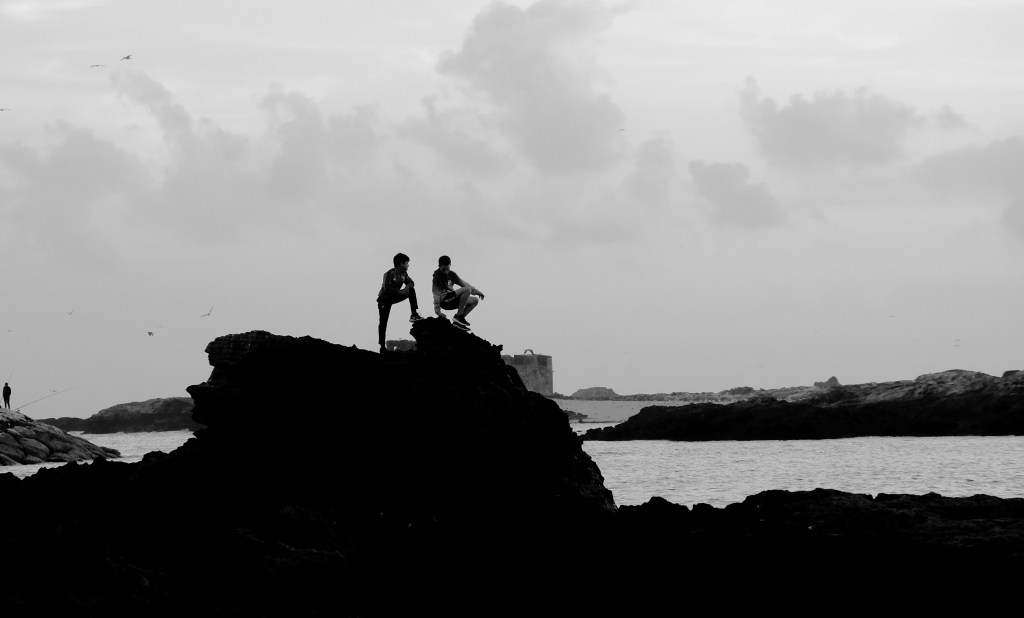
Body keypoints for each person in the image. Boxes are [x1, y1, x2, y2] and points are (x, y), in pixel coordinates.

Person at [377, 252, 424, 353]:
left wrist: (407, 288)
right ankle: (382, 346)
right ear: (401, 263)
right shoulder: (389, 274)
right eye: (407, 263)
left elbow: (411, 283)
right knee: (383, 322)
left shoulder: (404, 274)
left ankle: (414, 314)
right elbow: (387, 289)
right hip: (384, 299)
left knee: (411, 290)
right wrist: (401, 292)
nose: (408, 265)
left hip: (395, 296)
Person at [432, 255, 484, 330]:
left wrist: (477, 292)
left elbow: (465, 284)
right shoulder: (437, 278)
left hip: (452, 300)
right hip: (444, 301)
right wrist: (438, 312)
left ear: (450, 265)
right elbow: (436, 295)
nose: (446, 272)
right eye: (443, 269)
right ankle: (458, 316)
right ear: (439, 266)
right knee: (467, 289)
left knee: (475, 300)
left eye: (448, 269)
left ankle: (458, 322)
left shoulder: (452, 274)